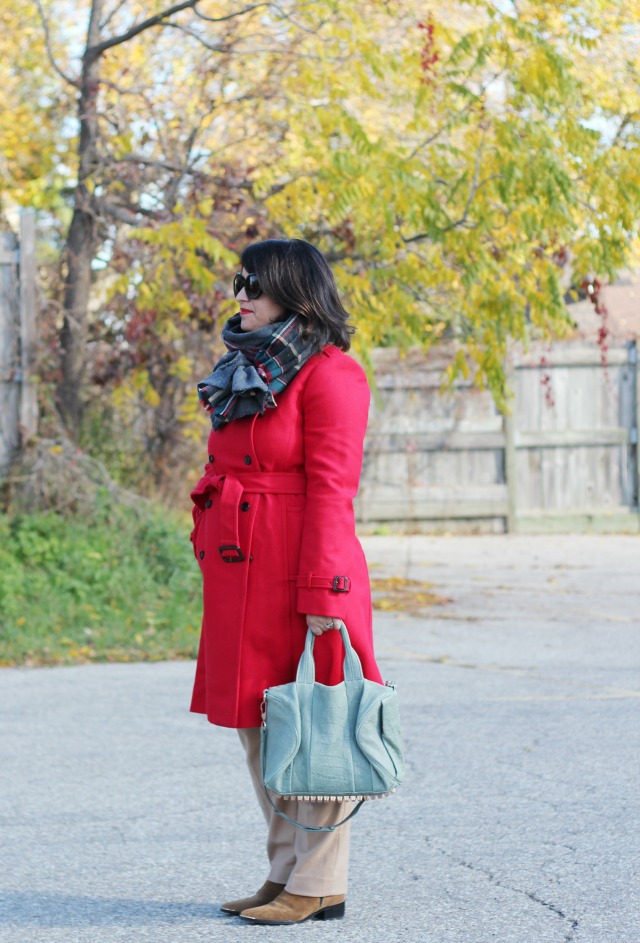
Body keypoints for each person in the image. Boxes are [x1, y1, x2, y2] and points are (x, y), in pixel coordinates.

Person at [189, 238, 383, 926]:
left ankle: (321, 879)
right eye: (241, 282)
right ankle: (283, 872)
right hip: (242, 570)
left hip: (302, 569)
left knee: (314, 723)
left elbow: (334, 491)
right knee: (257, 724)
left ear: (296, 295)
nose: (241, 295)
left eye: (257, 286)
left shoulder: (331, 374)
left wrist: (326, 595)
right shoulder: (248, 366)